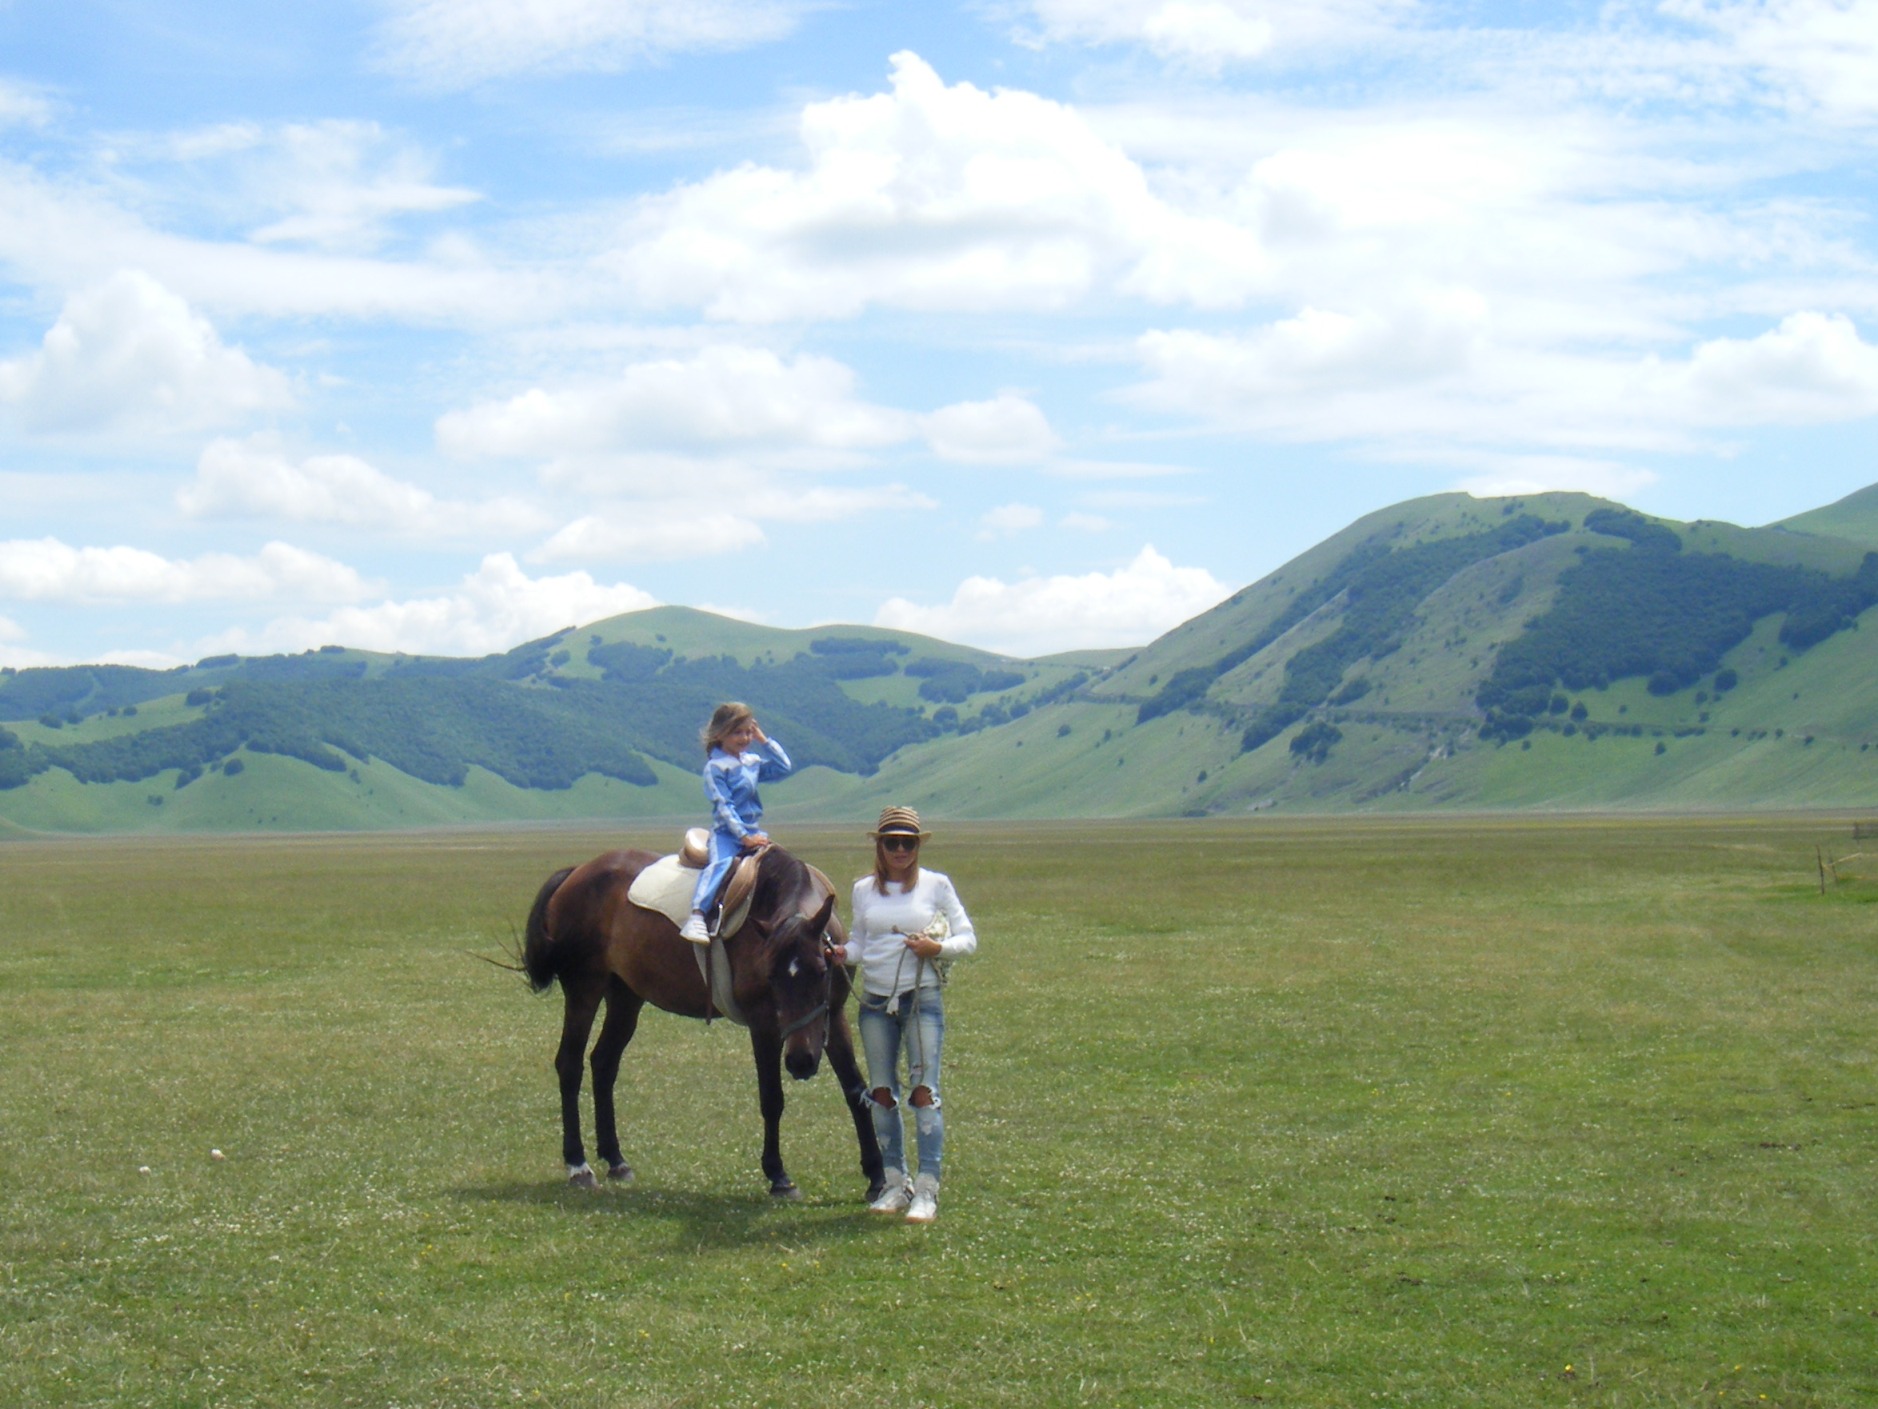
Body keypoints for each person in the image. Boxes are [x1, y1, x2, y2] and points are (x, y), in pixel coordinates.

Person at [835, 805, 976, 1223]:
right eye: (892, 842)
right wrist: (843, 954)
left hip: (921, 999)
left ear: (917, 846)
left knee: (923, 1093)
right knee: (880, 1094)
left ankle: (927, 1190)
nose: (900, 849)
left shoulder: (937, 885)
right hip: (875, 1003)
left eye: (908, 843)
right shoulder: (863, 890)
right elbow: (861, 942)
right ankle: (895, 1183)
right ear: (879, 846)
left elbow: (968, 939)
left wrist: (937, 949)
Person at [680, 703, 791, 944]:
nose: (744, 738)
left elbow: (784, 767)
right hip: (728, 834)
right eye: (737, 732)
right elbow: (724, 806)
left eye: (748, 732)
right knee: (722, 864)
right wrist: (743, 837)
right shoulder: (715, 767)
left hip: (755, 830)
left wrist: (765, 741)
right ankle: (698, 915)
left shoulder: (751, 762)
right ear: (720, 734)